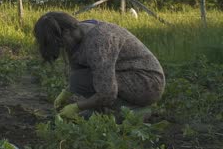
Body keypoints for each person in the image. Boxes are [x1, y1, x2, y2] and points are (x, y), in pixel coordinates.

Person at [33, 11, 165, 120]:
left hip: (147, 83)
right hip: (126, 75)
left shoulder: (99, 41)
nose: (61, 47)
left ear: (66, 31)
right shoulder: (75, 36)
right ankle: (100, 112)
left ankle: (134, 111)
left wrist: (77, 107)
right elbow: (77, 72)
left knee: (91, 82)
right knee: (78, 80)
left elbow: (107, 92)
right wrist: (67, 92)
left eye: (60, 43)